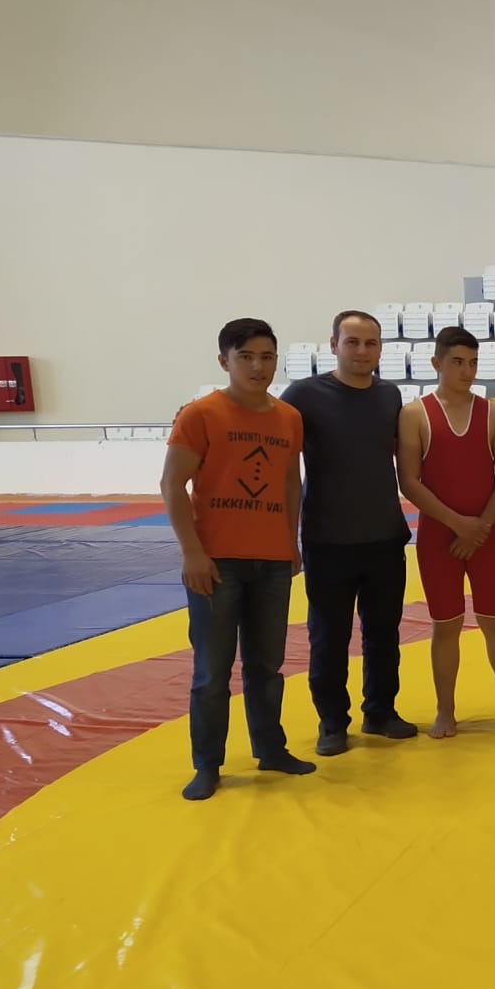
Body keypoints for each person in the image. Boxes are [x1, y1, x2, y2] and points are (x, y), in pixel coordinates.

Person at [160, 318, 314, 801]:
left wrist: (290, 541)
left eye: (266, 357)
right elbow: (172, 484)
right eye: (245, 356)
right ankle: (207, 763)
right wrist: (192, 552)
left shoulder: (289, 418)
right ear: (224, 360)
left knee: (268, 666)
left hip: (272, 561)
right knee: (212, 672)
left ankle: (270, 748)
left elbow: (289, 481)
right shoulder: (201, 414)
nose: (257, 366)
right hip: (216, 562)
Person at [282, 310, 417, 756]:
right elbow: (275, 446)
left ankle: (380, 711)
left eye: (370, 343)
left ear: (380, 348)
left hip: (384, 539)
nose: (362, 351)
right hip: (327, 541)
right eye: (352, 342)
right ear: (333, 345)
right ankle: (332, 722)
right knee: (328, 637)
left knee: (384, 634)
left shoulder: (389, 395)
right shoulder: (304, 395)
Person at [396, 326, 495, 738]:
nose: (466, 371)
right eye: (457, 362)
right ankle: (445, 710)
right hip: (441, 538)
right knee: (445, 625)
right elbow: (409, 482)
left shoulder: (494, 413)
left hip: (486, 534)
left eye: (473, 363)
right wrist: (461, 525)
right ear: (436, 363)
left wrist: (482, 526)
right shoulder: (415, 414)